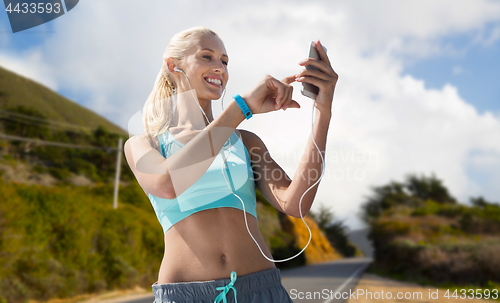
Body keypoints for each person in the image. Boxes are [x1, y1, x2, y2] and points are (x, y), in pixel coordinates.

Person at [124, 26, 338, 303]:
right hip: (185, 297)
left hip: (262, 291)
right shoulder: (144, 144)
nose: (220, 68)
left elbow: (296, 204)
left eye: (224, 61)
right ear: (172, 65)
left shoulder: (246, 142)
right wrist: (241, 108)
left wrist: (323, 111)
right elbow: (167, 184)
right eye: (207, 57)